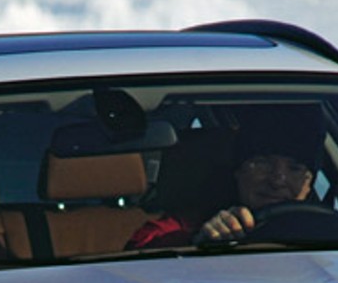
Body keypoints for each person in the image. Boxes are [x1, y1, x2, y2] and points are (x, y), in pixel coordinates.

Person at [126, 105, 324, 249]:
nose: (277, 180)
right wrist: (199, 245)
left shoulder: (332, 236)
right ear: (238, 171)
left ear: (309, 184)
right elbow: (141, 258)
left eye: (295, 168)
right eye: (263, 163)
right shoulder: (178, 230)